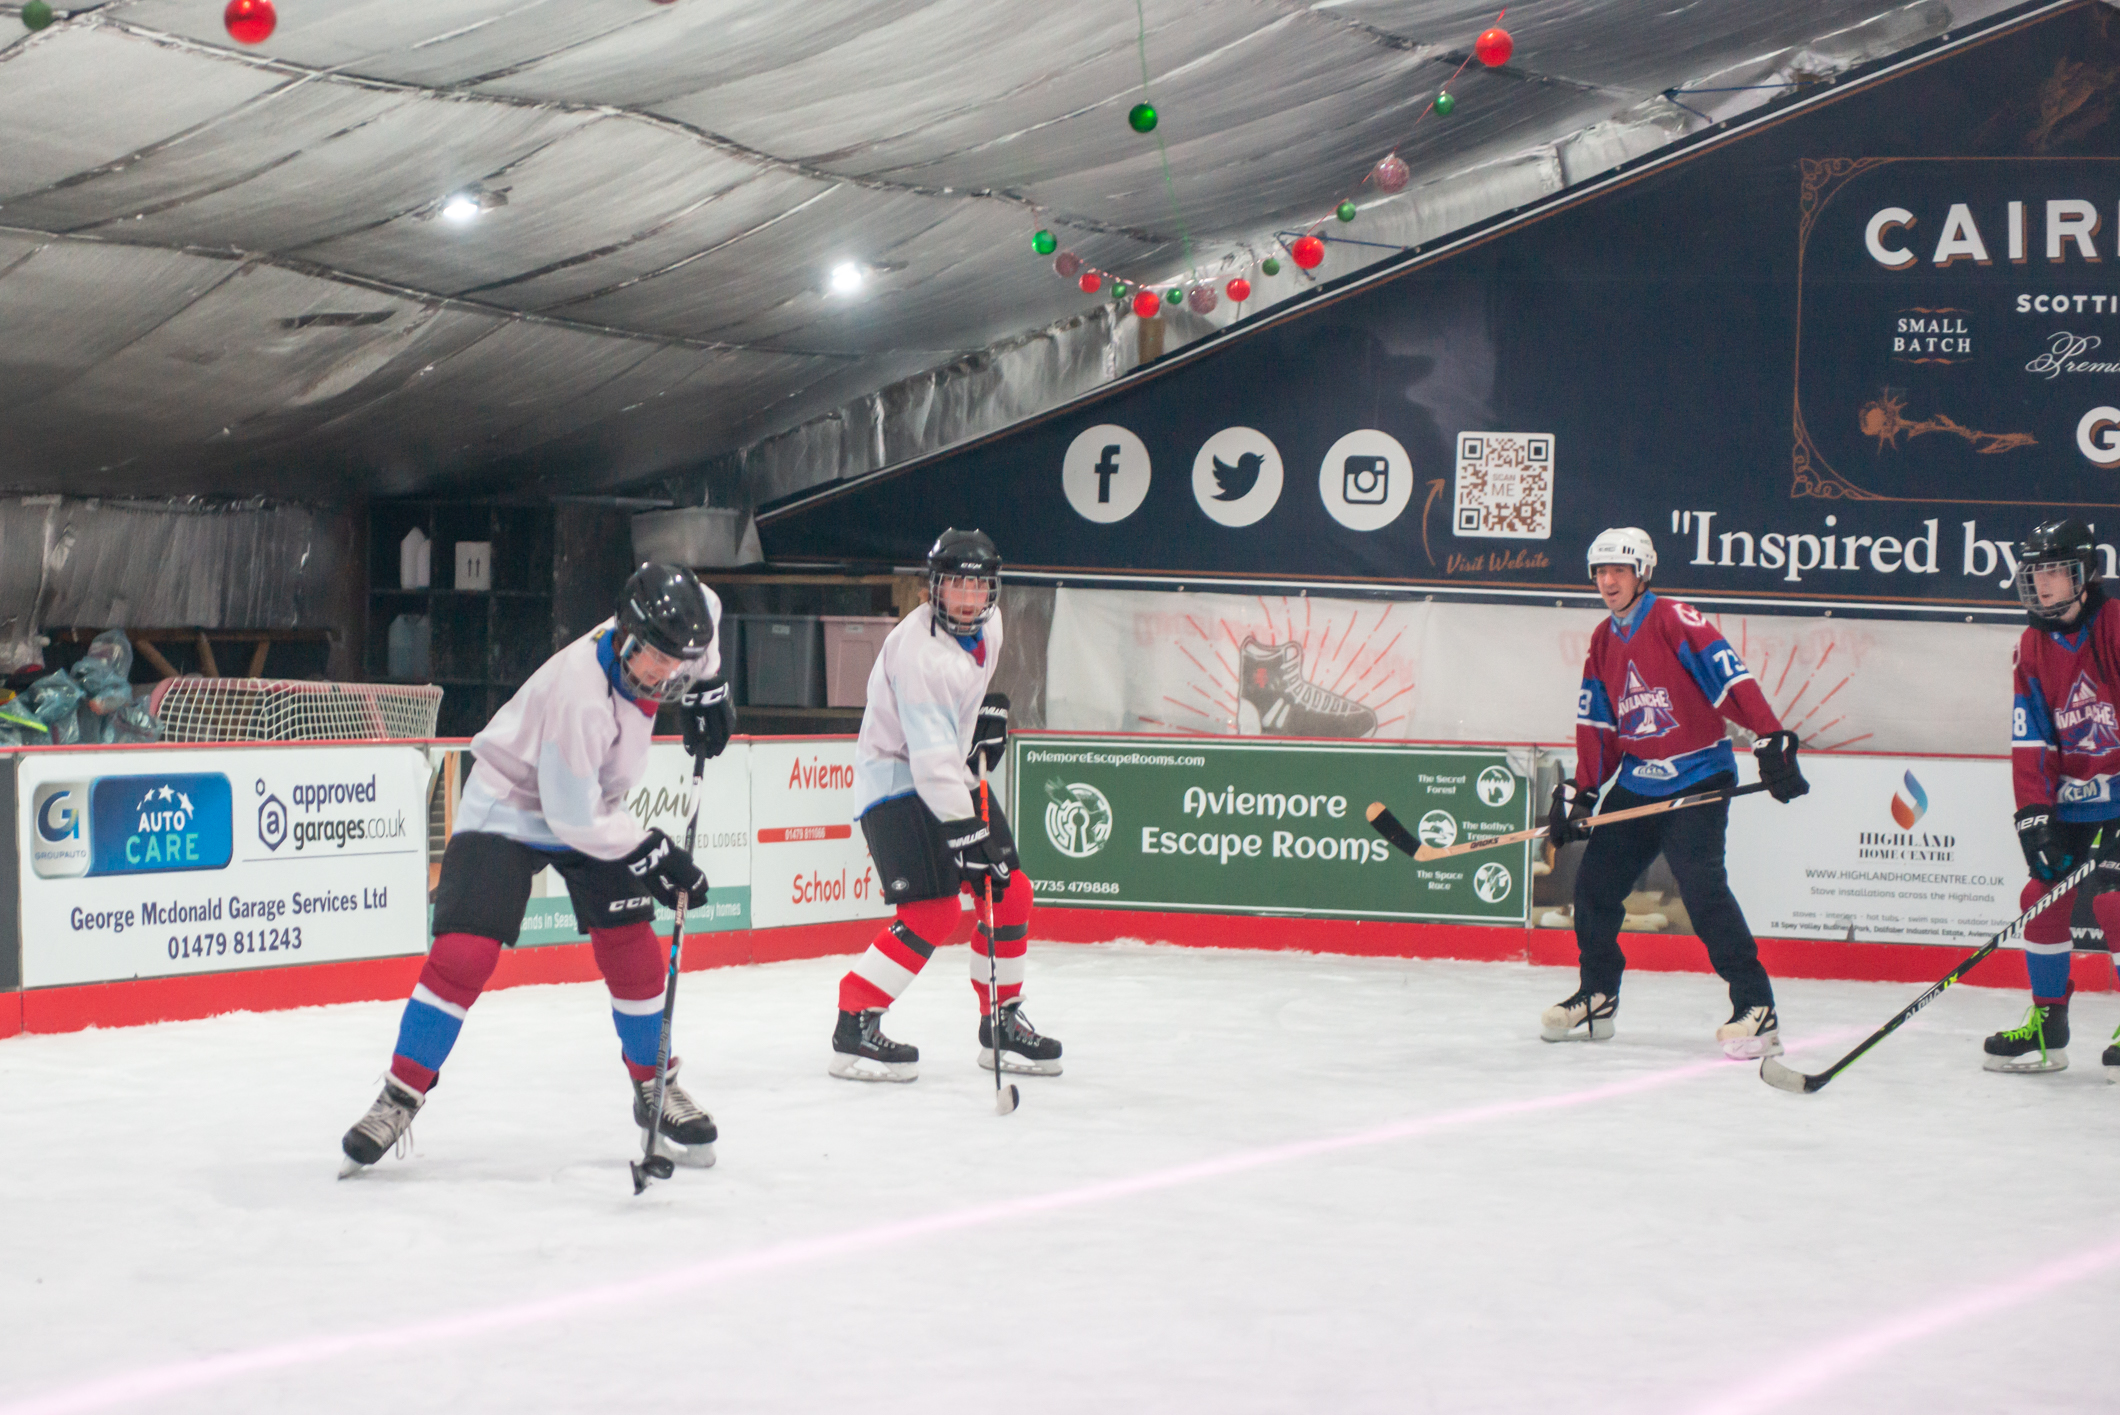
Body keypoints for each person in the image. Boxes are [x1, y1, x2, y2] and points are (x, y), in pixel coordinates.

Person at [339, 563, 738, 1174]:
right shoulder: (581, 695)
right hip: (511, 805)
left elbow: (706, 610)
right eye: (651, 658)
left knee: (633, 946)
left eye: (674, 663)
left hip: (590, 805)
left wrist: (710, 686)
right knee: (463, 953)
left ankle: (655, 1083)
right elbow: (571, 820)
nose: (661, 674)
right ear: (624, 634)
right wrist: (654, 852)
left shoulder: (684, 633)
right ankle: (400, 1094)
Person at [1541, 527, 1809, 1058]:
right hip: (1640, 781)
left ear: (1642, 572)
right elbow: (1598, 723)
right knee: (1594, 885)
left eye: (1618, 570)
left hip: (1699, 776)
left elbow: (1730, 680)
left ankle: (1757, 1006)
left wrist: (1771, 734)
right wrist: (1583, 791)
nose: (1608, 581)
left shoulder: (1673, 618)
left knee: (1702, 887)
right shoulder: (1601, 639)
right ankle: (1597, 996)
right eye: (1600, 571)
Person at [829, 528, 1062, 1082]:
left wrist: (985, 716)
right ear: (932, 588)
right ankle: (854, 1021)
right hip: (895, 778)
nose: (965, 598)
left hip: (944, 773)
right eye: (954, 584)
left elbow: (959, 716)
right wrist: (965, 834)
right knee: (932, 912)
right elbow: (929, 761)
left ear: (991, 593)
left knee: (1010, 891)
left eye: (976, 587)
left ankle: (1001, 1020)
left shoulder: (993, 627)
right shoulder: (919, 653)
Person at [1989, 518, 2120, 1074]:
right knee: (2037, 902)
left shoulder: (2114, 625)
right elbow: (2030, 737)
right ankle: (2049, 1023)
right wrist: (2033, 815)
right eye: (2035, 570)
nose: (2042, 583)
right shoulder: (2030, 646)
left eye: (2055, 571)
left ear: (2084, 574)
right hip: (2070, 798)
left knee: (2114, 902)